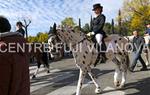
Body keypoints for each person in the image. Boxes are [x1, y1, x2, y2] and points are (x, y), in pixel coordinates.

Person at [0, 16, 30, 95]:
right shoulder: (17, 31)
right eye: (17, 25)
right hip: (19, 43)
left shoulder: (21, 30)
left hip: (18, 44)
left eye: (18, 25)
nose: (17, 26)